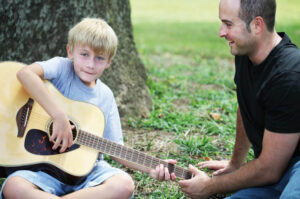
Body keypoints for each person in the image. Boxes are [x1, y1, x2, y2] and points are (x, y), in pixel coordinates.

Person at [0, 18, 163, 199]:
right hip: (42, 172)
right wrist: (59, 116)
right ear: (70, 51)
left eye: (99, 58)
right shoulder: (62, 68)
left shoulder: (105, 96)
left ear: (109, 62)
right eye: (84, 54)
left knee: (124, 184)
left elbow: (117, 148)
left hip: (88, 176)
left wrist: (152, 167)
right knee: (15, 187)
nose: (90, 64)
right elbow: (25, 74)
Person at [156, 0, 300, 198]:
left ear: (257, 25)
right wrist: (235, 164)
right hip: (276, 174)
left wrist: (210, 186)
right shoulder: (246, 52)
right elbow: (245, 106)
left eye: (228, 24)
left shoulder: (288, 76)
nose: (221, 32)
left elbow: (269, 169)